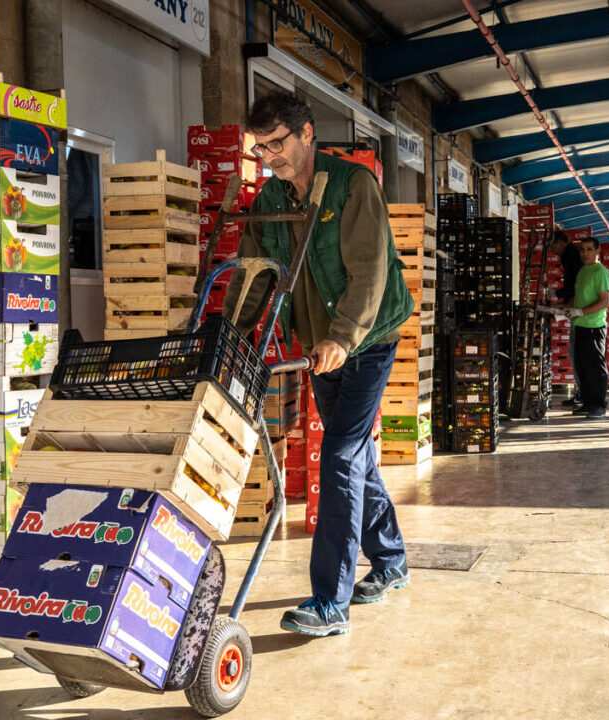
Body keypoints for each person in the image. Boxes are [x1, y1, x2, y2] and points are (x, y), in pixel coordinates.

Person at [229, 93, 416, 636]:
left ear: (307, 133)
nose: (269, 156)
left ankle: (329, 603)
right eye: (260, 148)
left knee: (338, 455)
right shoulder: (269, 199)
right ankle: (392, 559)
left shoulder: (354, 186)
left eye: (277, 144)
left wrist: (344, 337)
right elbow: (256, 274)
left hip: (369, 337)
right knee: (353, 455)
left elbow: (370, 272)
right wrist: (232, 338)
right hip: (320, 346)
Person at [563, 237, 609, 419]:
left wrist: (581, 312)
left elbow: (605, 301)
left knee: (596, 368)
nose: (585, 253)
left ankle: (599, 405)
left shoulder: (600, 272)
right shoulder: (583, 270)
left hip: (594, 327)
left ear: (597, 251)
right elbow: (578, 296)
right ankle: (588, 403)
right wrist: (565, 308)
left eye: (589, 249)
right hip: (579, 326)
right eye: (582, 250)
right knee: (582, 367)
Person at [548, 231, 585, 407]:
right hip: (575, 310)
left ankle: (584, 394)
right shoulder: (567, 257)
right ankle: (582, 392)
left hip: (582, 315)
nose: (551, 249)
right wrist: (563, 302)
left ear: (563, 242)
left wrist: (565, 302)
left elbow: (575, 284)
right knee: (574, 352)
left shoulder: (573, 256)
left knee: (577, 353)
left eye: (553, 245)